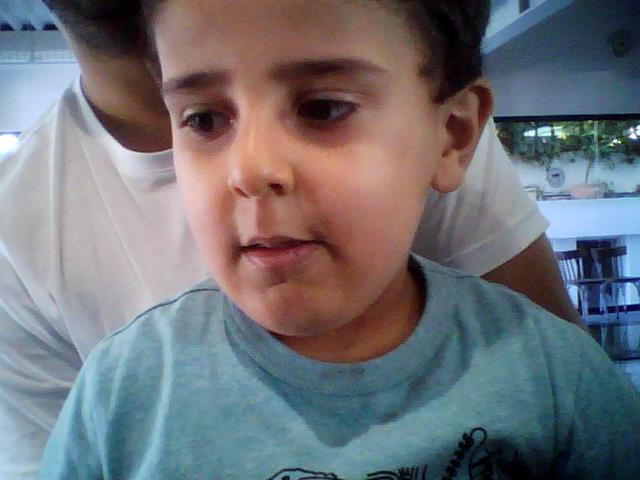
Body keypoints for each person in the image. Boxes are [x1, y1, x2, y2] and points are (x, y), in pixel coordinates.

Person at [38, 0, 640, 478]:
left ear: (453, 135)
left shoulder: (553, 378)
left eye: (323, 108)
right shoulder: (122, 393)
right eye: (204, 119)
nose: (250, 169)